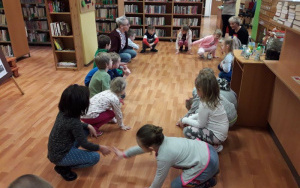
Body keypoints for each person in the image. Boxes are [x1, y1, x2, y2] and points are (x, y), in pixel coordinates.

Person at [112, 124, 219, 188]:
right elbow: (142, 148)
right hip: (208, 149)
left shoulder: (164, 157)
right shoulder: (162, 139)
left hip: (208, 164)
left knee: (175, 186)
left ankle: (207, 181)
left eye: (140, 144)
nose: (139, 146)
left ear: (150, 147)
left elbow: (159, 180)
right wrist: (124, 154)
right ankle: (213, 172)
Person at [47, 85, 111, 181]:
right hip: (60, 156)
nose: (89, 100)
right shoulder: (74, 122)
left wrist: (88, 125)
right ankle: (63, 168)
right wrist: (101, 148)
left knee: (85, 129)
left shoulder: (64, 111)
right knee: (95, 157)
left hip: (58, 149)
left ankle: (65, 162)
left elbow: (75, 125)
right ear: (79, 105)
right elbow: (84, 144)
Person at [177, 68, 229, 152]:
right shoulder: (215, 98)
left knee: (187, 131)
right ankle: (214, 143)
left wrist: (184, 120)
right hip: (222, 133)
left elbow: (200, 124)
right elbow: (201, 115)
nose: (196, 91)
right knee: (191, 123)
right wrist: (189, 118)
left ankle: (211, 147)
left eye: (197, 89)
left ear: (202, 90)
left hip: (217, 137)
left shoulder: (205, 104)